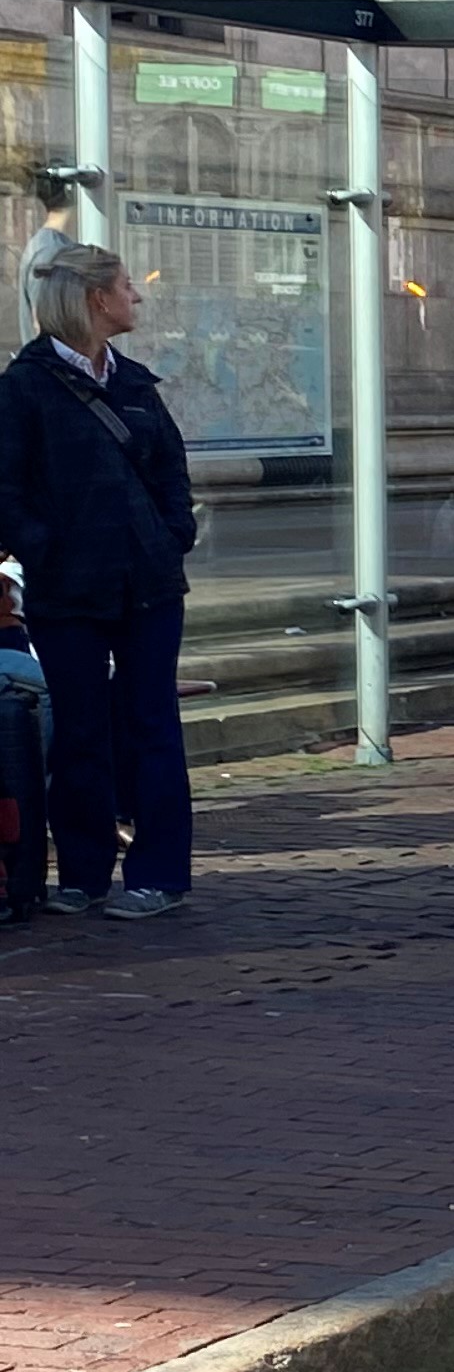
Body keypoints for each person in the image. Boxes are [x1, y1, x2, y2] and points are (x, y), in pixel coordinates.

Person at [0, 239, 197, 918]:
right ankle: (83, 873)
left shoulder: (136, 383)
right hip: (67, 590)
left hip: (148, 585)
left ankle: (160, 874)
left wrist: (173, 537)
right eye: (124, 286)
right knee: (81, 730)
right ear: (94, 300)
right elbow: (7, 489)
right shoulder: (23, 390)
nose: (135, 296)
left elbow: (171, 469)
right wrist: (44, 549)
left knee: (152, 724)